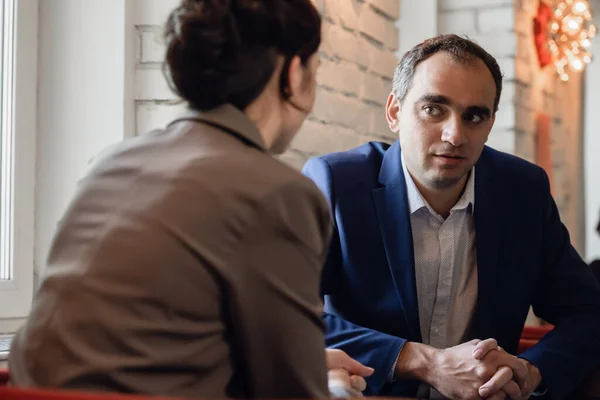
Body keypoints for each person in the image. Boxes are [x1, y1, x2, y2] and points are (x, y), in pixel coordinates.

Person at [8, 0, 373, 398]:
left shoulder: (112, 160)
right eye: (315, 70)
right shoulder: (278, 192)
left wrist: (310, 362)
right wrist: (335, 387)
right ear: (292, 73)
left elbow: (153, 345)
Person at [302, 34, 600, 400]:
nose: (455, 134)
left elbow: (588, 313)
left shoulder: (524, 190)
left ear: (491, 123)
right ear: (395, 112)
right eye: (433, 109)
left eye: (474, 115)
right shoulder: (336, 184)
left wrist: (530, 372)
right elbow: (285, 318)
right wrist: (424, 361)